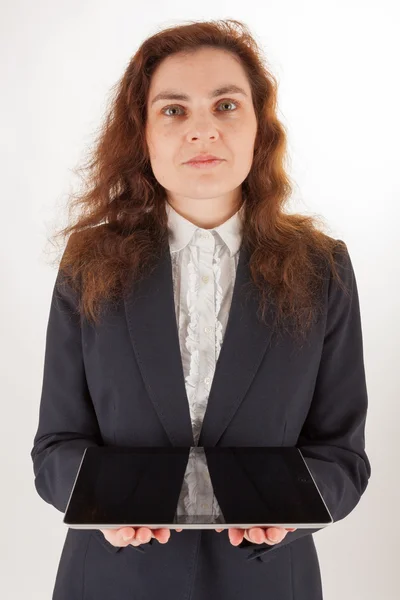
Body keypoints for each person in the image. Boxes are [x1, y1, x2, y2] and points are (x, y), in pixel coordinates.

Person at [30, 18, 371, 600]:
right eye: (174, 110)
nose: (202, 131)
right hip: (112, 582)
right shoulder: (88, 260)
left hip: (266, 580)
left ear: (260, 128)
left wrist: (291, 513)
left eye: (226, 105)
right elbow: (57, 446)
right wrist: (98, 506)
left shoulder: (323, 266)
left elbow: (341, 455)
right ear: (143, 134)